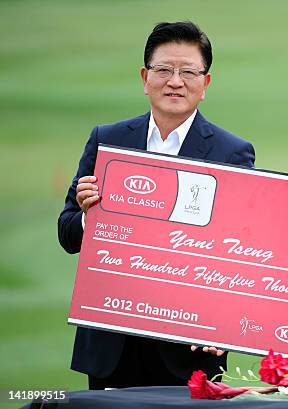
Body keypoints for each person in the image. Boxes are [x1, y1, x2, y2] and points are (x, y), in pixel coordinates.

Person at [58, 21, 254, 390]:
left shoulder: (232, 153)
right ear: (145, 77)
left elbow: (238, 251)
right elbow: (67, 234)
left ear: (205, 84)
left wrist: (225, 324)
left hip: (188, 346)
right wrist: (89, 217)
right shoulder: (108, 139)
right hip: (110, 339)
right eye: (164, 70)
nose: (175, 81)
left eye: (188, 72)